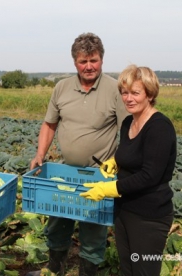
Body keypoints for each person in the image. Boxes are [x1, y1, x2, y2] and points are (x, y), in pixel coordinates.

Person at [27, 32, 129, 276]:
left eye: (93, 60)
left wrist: (118, 162)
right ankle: (55, 269)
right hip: (65, 172)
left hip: (98, 173)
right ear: (75, 62)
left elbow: (128, 132)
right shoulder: (62, 87)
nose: (89, 66)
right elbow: (49, 124)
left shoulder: (115, 89)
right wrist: (40, 153)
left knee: (93, 227)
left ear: (101, 60)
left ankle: (88, 271)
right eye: (83, 61)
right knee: (57, 221)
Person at [80, 65, 177, 276]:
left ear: (150, 94)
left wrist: (109, 189)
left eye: (135, 92)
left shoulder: (160, 127)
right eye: (124, 93)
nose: (128, 98)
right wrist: (115, 162)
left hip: (149, 216)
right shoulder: (127, 123)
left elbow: (149, 176)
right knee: (128, 269)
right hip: (124, 211)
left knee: (143, 272)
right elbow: (130, 154)